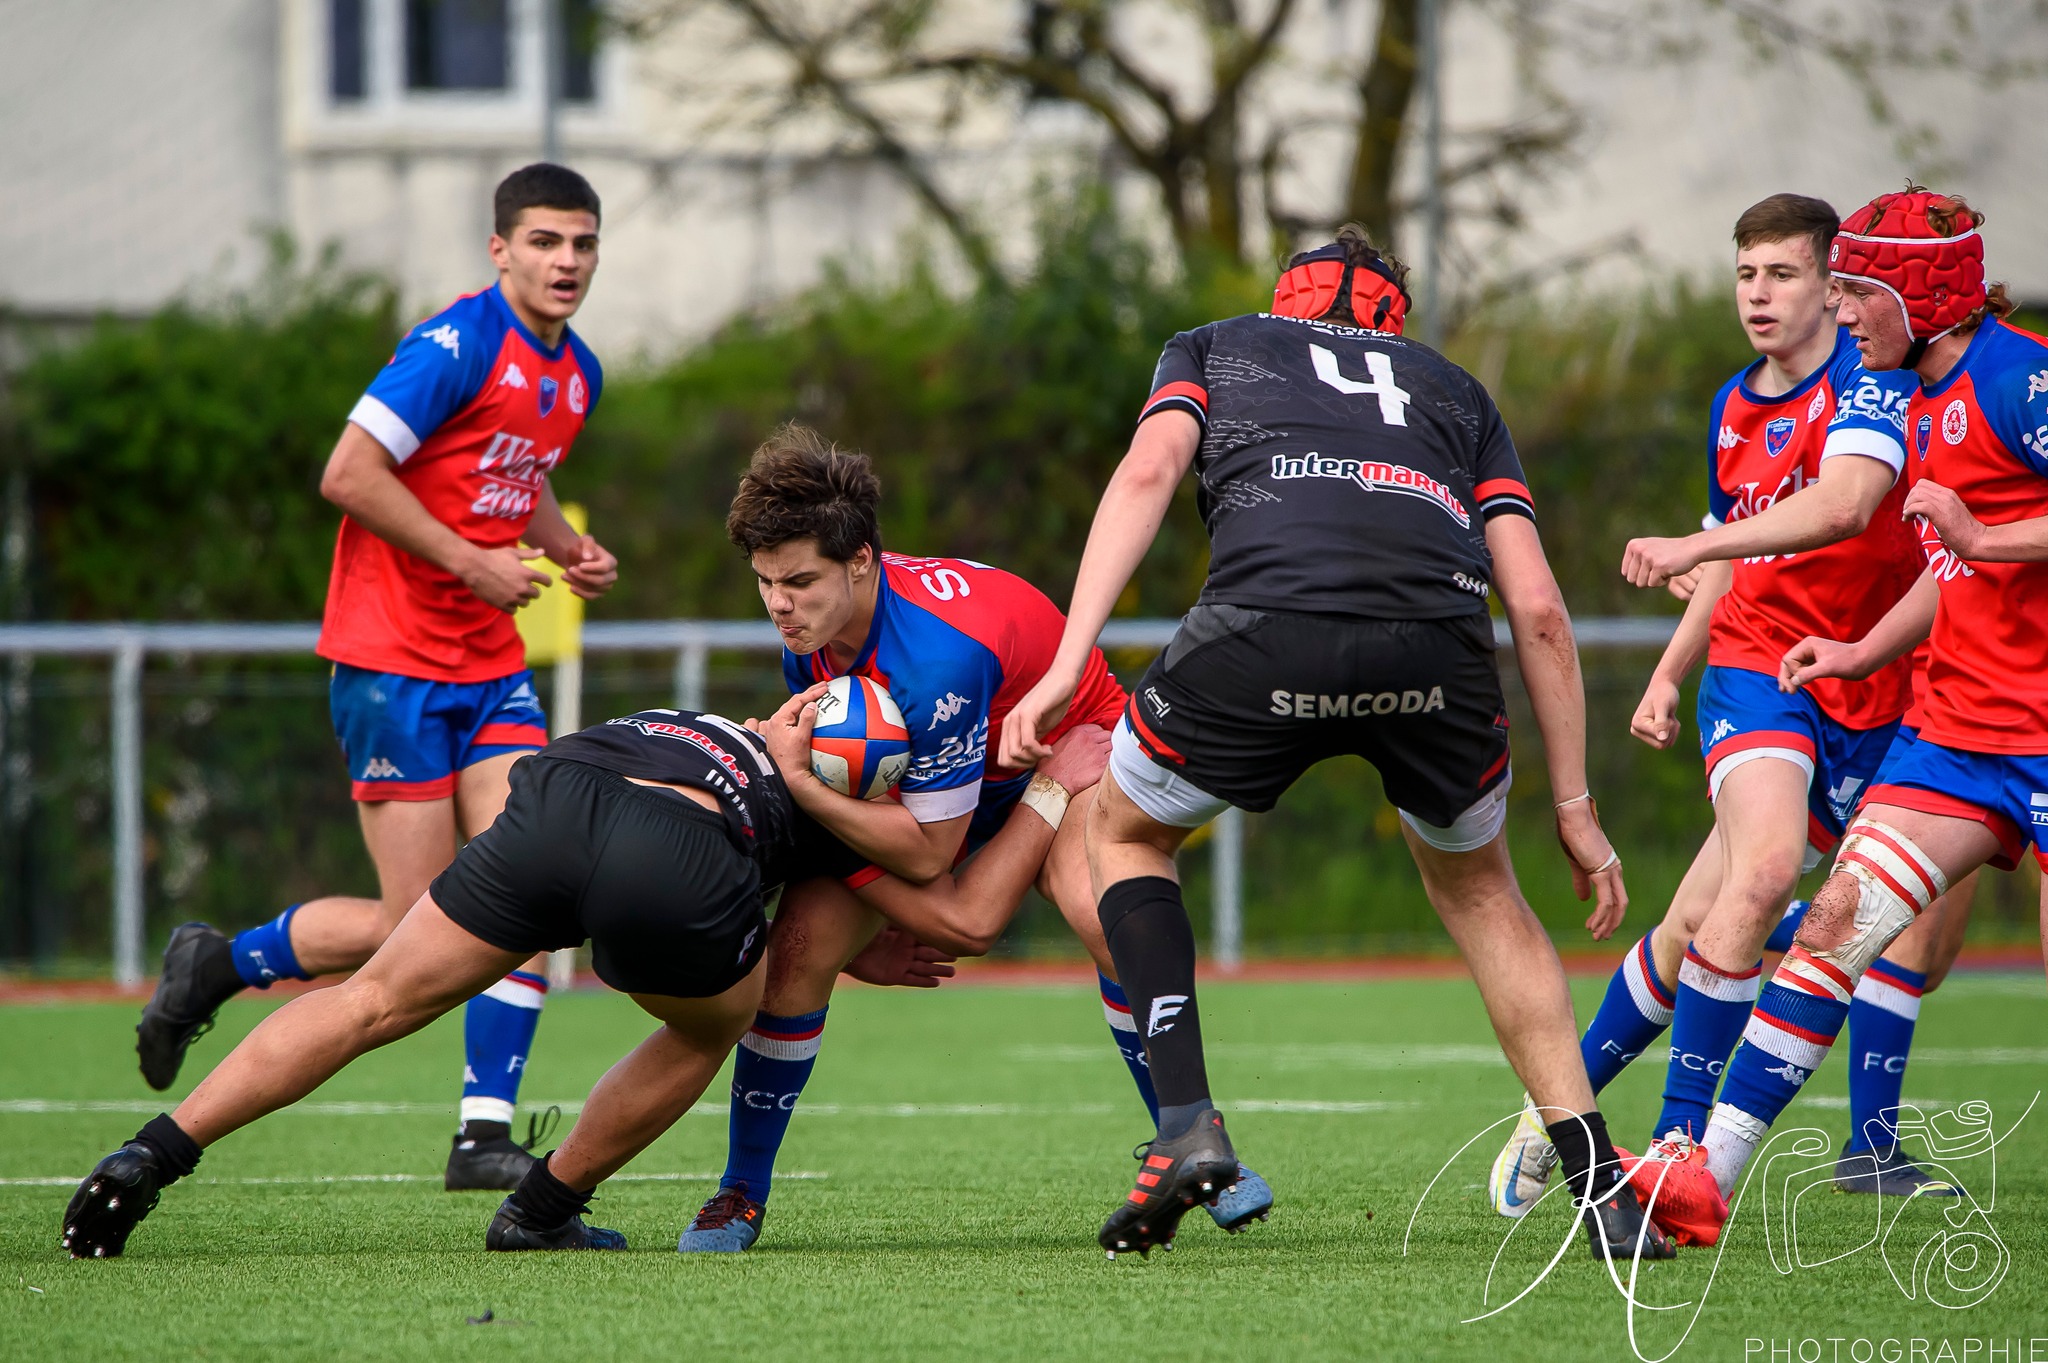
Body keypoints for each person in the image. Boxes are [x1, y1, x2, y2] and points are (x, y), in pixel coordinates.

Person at [1001, 224, 1673, 1261]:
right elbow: (1536, 607)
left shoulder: (1215, 344)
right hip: (1437, 646)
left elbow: (1145, 474)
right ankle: (1600, 1189)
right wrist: (1575, 809)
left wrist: (1064, 663)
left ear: (1286, 296)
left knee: (1122, 831)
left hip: (1265, 626)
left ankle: (1183, 1125)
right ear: (1392, 316)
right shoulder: (1453, 390)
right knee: (1484, 895)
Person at [61, 706, 1111, 1259]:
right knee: (714, 1029)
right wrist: (1053, 795)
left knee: (370, 996)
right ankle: (541, 1207)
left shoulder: (706, 720)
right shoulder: (830, 796)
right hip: (680, 856)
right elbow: (955, 915)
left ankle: (146, 1157)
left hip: (560, 794)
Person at [132, 164, 621, 1191]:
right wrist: (468, 561)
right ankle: (220, 964)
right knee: (424, 927)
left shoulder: (576, 373)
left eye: (579, 242)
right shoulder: (453, 345)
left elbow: (513, 476)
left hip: (489, 664)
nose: (564, 261)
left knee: (526, 880)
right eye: (543, 241)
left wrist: (563, 545)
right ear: (499, 250)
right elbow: (349, 473)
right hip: (391, 657)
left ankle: (482, 1133)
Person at [676, 426, 1274, 1252]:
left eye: (800, 581)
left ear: (861, 562)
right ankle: (739, 1192)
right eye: (767, 583)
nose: (780, 604)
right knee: (801, 944)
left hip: (1069, 743)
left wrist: (810, 786)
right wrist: (859, 935)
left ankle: (1195, 1138)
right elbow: (908, 824)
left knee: (1107, 918)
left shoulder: (936, 659)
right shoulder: (810, 640)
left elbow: (930, 859)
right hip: (945, 781)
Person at [1484, 194, 1931, 1240]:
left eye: (1780, 273)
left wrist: (1691, 554)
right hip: (1761, 675)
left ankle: (1558, 1106)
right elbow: (1737, 562)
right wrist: (1672, 670)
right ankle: (1678, 1147)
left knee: (1700, 924)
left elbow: (1833, 508)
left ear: (1831, 284)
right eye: (1744, 276)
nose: (1758, 295)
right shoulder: (1733, 407)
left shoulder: (1874, 386)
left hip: (1882, 687)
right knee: (1768, 866)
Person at [1655, 186, 2047, 1239]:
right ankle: (1703, 1177)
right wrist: (1862, 648)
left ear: (1918, 296)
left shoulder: (2019, 376)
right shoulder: (1902, 393)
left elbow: (1976, 542)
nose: (1842, 309)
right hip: (1959, 731)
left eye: (1854, 289)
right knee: (1834, 917)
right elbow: (1943, 568)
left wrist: (1981, 536)